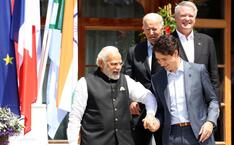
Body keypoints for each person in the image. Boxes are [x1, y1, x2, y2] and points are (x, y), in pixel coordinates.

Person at [67, 46, 158, 145]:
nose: (118, 67)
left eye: (120, 63)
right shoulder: (84, 83)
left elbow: (148, 96)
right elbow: (75, 117)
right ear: (101, 63)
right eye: (113, 64)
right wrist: (73, 142)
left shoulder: (126, 80)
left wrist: (150, 115)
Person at [151, 35, 220, 145]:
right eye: (158, 60)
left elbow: (213, 100)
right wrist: (156, 121)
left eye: (164, 59)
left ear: (175, 53)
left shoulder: (198, 70)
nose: (161, 63)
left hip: (199, 134)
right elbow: (160, 109)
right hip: (171, 137)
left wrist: (210, 122)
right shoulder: (157, 79)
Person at [124, 13, 163, 145]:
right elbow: (127, 78)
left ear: (162, 27)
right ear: (143, 28)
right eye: (148, 29)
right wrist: (131, 100)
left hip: (165, 108)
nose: (151, 33)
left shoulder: (171, 49)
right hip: (140, 109)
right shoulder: (134, 51)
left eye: (154, 29)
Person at [173, 1, 220, 95]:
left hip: (202, 102)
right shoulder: (167, 41)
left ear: (195, 18)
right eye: (183, 15)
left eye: (191, 16)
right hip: (177, 101)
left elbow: (214, 76)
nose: (187, 19)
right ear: (175, 18)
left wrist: (214, 105)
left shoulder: (207, 41)